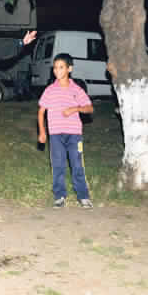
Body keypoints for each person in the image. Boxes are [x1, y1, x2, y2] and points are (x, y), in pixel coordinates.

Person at [37, 53, 94, 209]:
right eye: (55, 67)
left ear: (69, 68)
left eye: (61, 67)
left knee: (77, 165)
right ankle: (59, 196)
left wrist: (75, 108)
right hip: (55, 135)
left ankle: (83, 196)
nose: (57, 70)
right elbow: (41, 112)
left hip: (74, 135)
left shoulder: (77, 89)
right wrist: (42, 132)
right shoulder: (50, 90)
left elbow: (89, 108)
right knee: (58, 165)